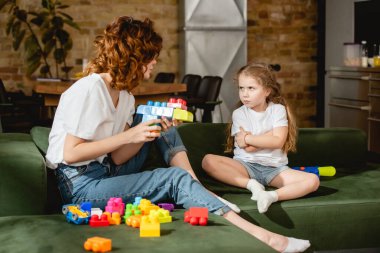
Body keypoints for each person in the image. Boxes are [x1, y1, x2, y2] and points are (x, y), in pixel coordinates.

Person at [45, 16, 310, 253]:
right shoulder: (90, 89)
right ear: (135, 57)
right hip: (79, 184)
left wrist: (147, 132)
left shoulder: (126, 96)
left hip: (107, 170)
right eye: (152, 57)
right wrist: (131, 135)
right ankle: (268, 239)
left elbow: (117, 158)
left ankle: (198, 187)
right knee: (173, 178)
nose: (155, 63)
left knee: (153, 119)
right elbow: (71, 153)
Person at [202, 62, 320, 214]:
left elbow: (277, 142)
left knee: (312, 181)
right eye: (241, 88)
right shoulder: (239, 113)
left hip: (275, 169)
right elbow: (247, 147)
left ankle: (271, 196)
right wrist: (268, 137)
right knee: (208, 161)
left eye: (251, 88)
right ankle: (252, 185)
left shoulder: (277, 110)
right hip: (245, 166)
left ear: (267, 91)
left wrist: (249, 137)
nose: (244, 94)